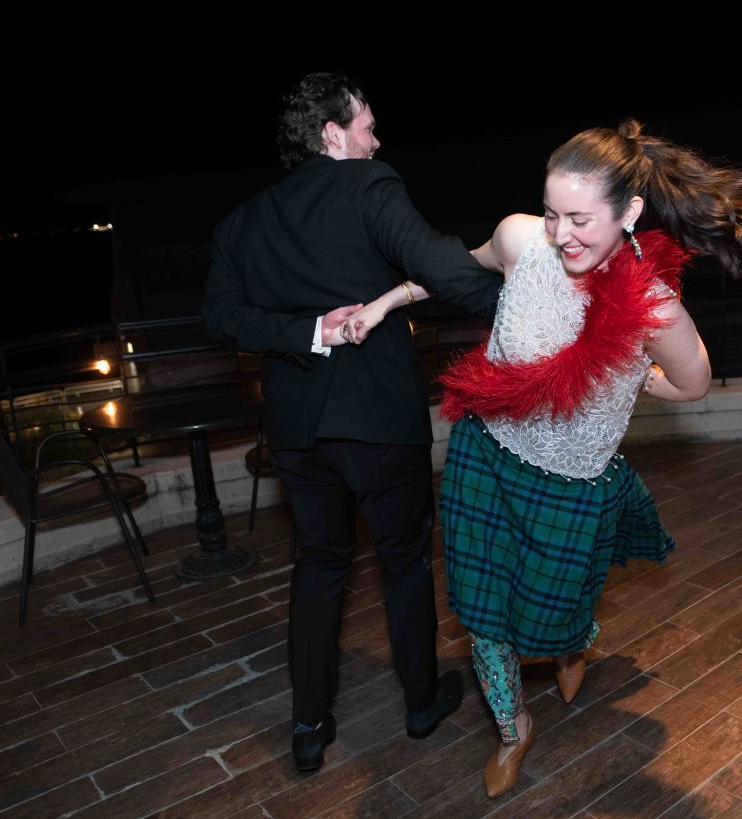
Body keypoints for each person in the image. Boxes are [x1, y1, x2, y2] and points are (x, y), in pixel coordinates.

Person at [342, 120, 742, 796]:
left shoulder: (654, 308)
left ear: (629, 212)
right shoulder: (521, 241)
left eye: (579, 218)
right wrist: (384, 303)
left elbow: (694, 383)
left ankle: (572, 643)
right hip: (486, 458)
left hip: (569, 488)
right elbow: (452, 271)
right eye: (551, 213)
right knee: (482, 614)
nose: (561, 233)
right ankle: (514, 728)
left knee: (550, 615)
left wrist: (638, 377)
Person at [202, 72, 502, 774]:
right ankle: (421, 702)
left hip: (297, 428)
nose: (377, 140)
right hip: (377, 416)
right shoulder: (369, 183)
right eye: (368, 126)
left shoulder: (242, 220)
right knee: (403, 559)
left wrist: (309, 332)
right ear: (333, 134)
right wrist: (531, 303)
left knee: (319, 562)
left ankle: (308, 726)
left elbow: (221, 316)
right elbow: (436, 264)